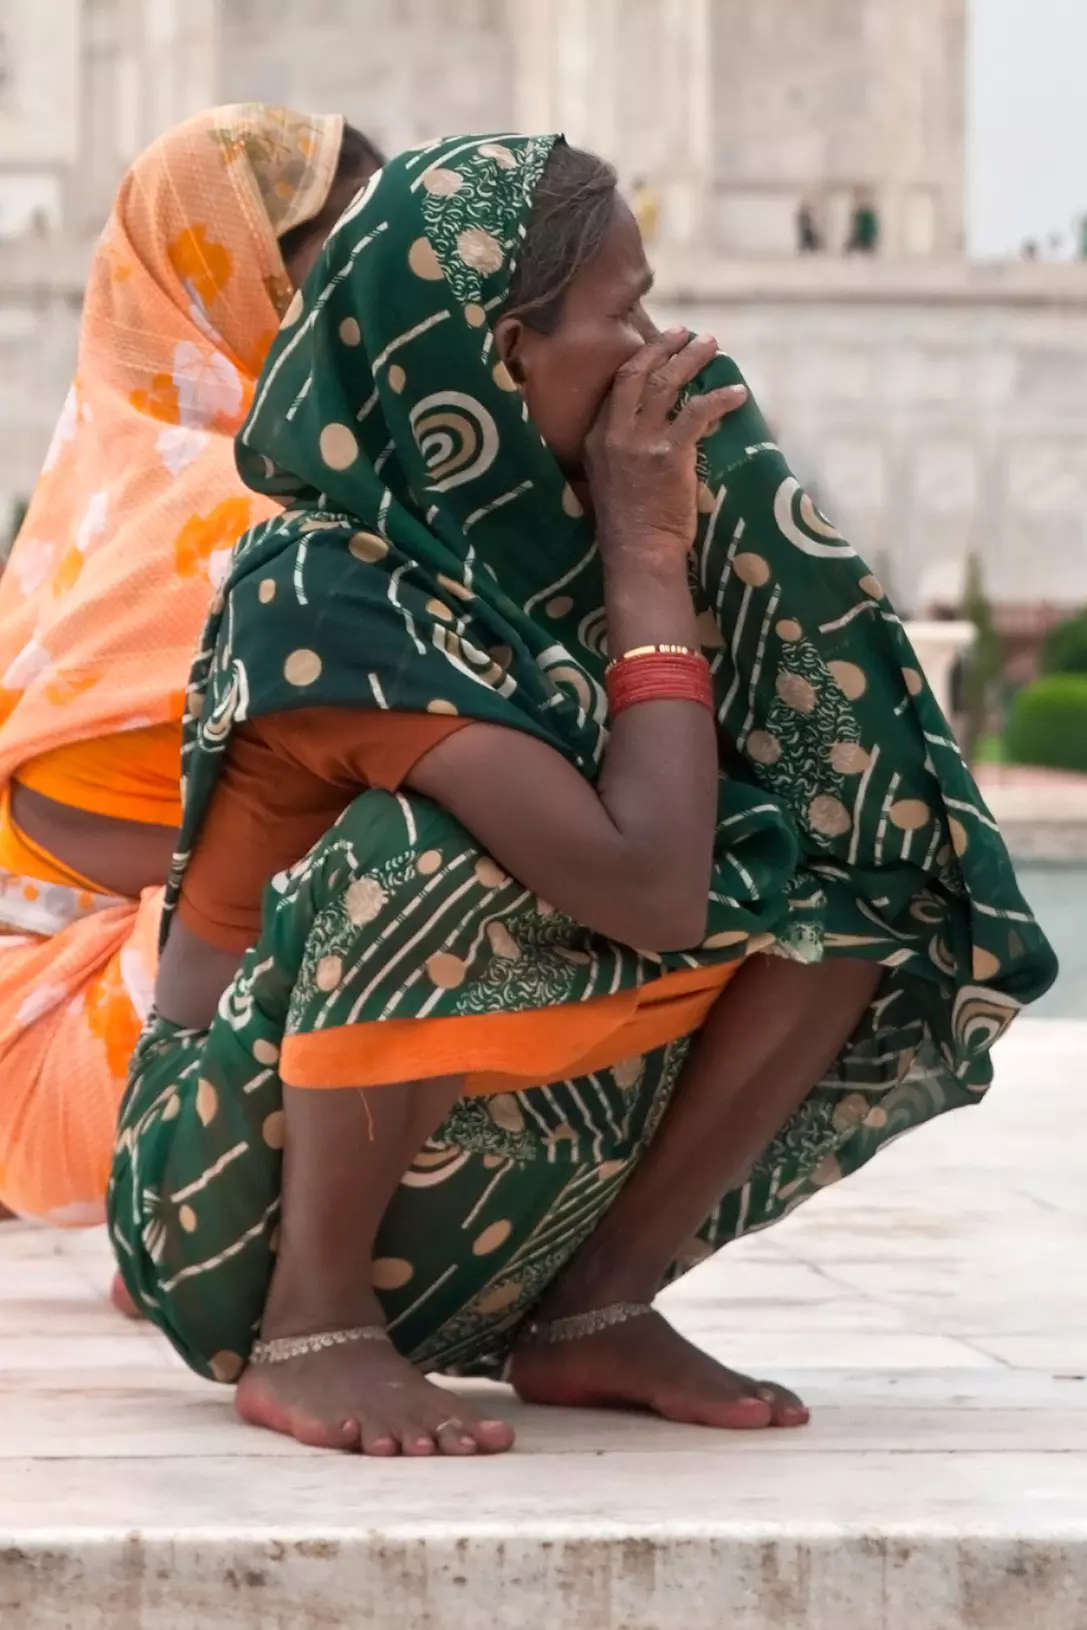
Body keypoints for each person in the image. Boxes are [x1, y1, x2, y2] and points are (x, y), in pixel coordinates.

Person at [109, 134, 1056, 1458]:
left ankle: (594, 1306)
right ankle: (312, 1329)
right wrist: (645, 562)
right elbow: (645, 885)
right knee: (425, 849)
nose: (657, 344)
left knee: (844, 878)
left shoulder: (516, 549)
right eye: (622, 313)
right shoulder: (323, 585)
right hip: (223, 1204)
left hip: (485, 1186)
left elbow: (778, 789)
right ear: (503, 357)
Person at [0, 104, 382, 1227]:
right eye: (336, 266)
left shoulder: (160, 471)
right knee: (392, 885)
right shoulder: (213, 503)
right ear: (236, 283)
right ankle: (194, 1233)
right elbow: (52, 809)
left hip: (115, 995)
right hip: (53, 1034)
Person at [845, 187, 880, 255]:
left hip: (866, 237)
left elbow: (872, 227)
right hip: (860, 236)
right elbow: (855, 225)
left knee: (867, 249)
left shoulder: (869, 215)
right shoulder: (859, 214)